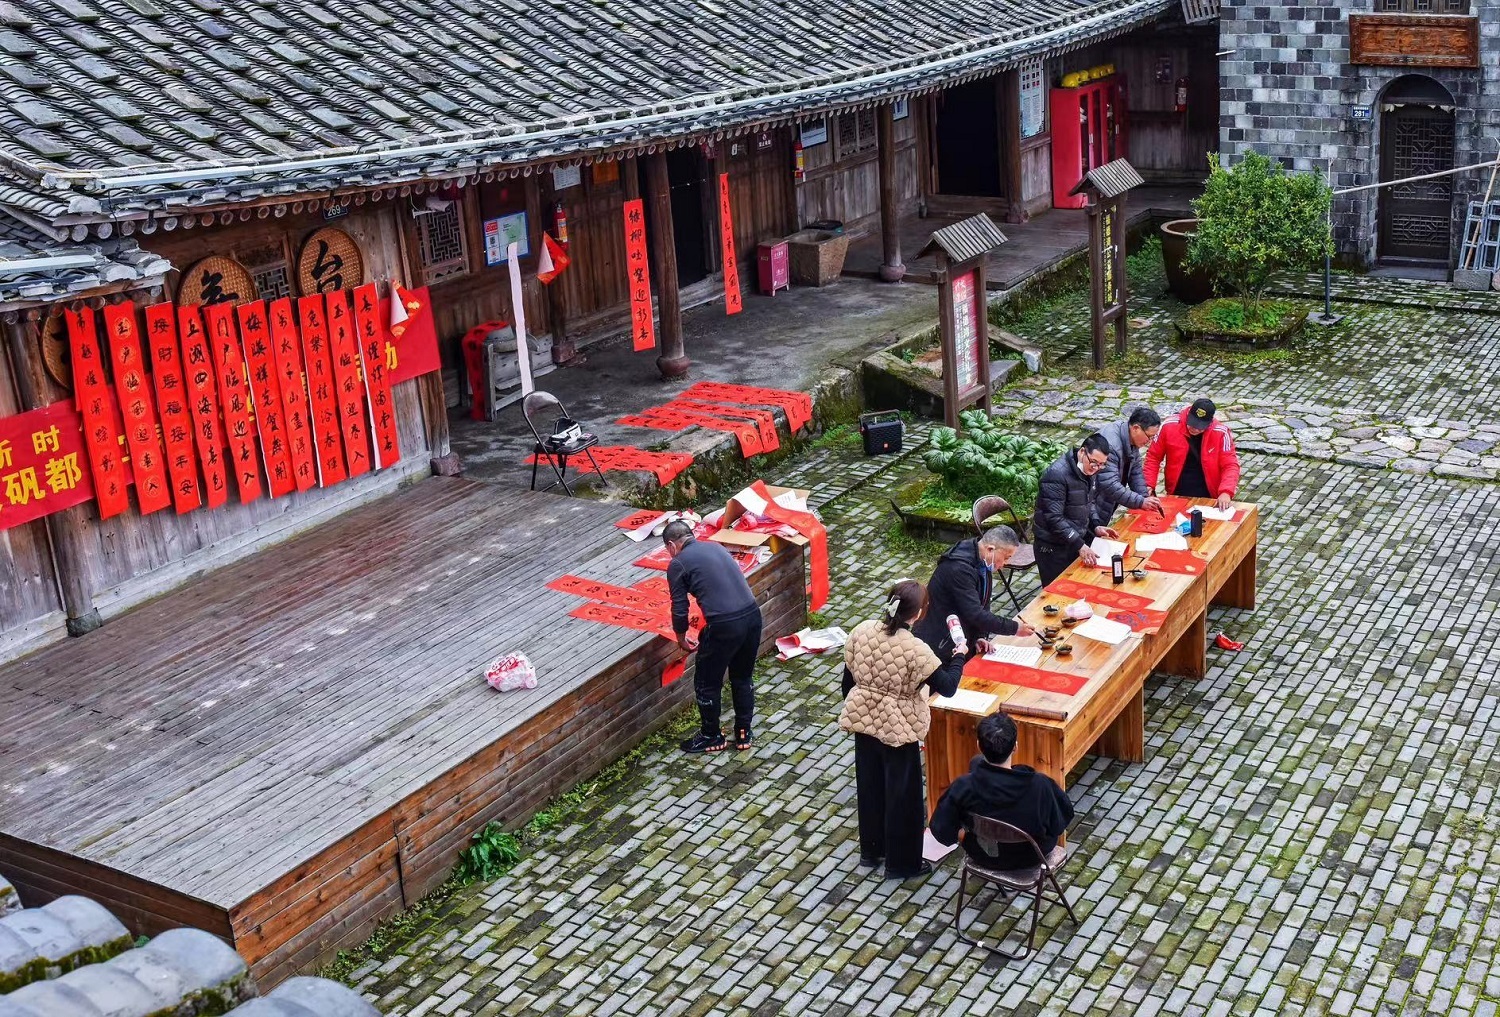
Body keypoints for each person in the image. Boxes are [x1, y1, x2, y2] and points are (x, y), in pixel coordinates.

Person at [839, 580, 965, 880]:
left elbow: (848, 679)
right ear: (919, 613)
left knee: (870, 787)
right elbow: (948, 687)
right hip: (899, 727)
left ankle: (872, 851)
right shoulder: (916, 649)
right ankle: (902, 864)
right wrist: (959, 655)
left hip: (863, 720)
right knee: (903, 797)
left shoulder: (861, 631)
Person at [663, 519, 762, 754]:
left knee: (707, 681)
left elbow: (679, 608)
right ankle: (743, 732)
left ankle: (711, 736)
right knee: (742, 676)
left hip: (724, 624)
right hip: (752, 616)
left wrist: (680, 637)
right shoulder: (716, 547)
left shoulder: (678, 563)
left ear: (671, 545)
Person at [929, 712, 1074, 871]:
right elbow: (1061, 821)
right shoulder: (1040, 785)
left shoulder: (964, 786)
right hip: (1032, 855)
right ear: (1015, 747)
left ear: (979, 746)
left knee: (976, 763)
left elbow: (940, 828)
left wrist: (963, 836)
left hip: (982, 854)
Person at [911, 526, 1035, 659]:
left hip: (959, 635)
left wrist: (979, 636)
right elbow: (975, 613)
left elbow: (983, 602)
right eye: (1006, 557)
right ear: (990, 549)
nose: (1005, 563)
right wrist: (1015, 628)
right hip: (938, 644)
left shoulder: (983, 560)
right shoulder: (959, 569)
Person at [1032, 433, 1119, 587]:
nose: (1096, 468)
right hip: (1053, 547)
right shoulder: (1056, 475)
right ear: (1082, 452)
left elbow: (1087, 501)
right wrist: (1079, 544)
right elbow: (1054, 518)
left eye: (1102, 464)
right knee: (1059, 591)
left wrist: (1095, 525)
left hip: (1072, 541)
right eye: (1094, 462)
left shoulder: (1090, 470)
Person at [1143, 398, 1241, 511]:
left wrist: (1226, 492)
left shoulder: (1221, 433)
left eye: (1200, 427)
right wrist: (1148, 484)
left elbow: (1230, 465)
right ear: (1188, 414)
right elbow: (1153, 457)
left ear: (1210, 423)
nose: (1195, 429)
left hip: (1210, 494)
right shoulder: (1168, 426)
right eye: (1192, 424)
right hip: (1177, 491)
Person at [1095, 407, 1164, 523]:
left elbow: (1135, 472)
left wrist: (1144, 496)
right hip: (1091, 502)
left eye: (1153, 437)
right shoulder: (1110, 445)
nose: (1150, 441)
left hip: (1105, 500)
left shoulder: (1130, 438)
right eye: (1149, 437)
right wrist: (1141, 502)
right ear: (1136, 428)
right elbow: (1109, 484)